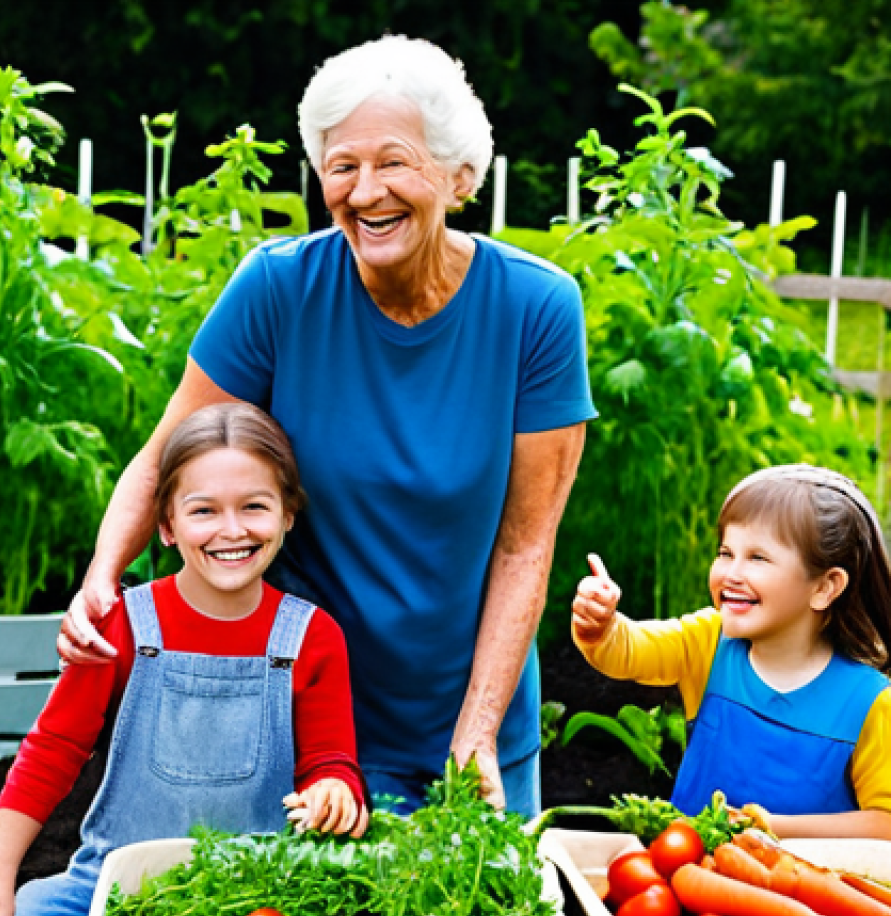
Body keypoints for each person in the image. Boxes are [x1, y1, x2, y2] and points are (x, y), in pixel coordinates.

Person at [57, 35, 596, 818]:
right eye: (342, 166)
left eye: (393, 163)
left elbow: (525, 544)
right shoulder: (279, 289)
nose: (365, 190)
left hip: (469, 719)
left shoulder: (535, 309)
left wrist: (476, 731)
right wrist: (104, 572)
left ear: (458, 176)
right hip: (304, 721)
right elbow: (167, 455)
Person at [0, 403, 369, 916]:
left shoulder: (312, 636)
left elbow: (331, 760)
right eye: (204, 511)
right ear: (167, 525)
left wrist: (334, 790)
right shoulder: (125, 623)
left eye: (255, 506)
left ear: (288, 515)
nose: (232, 530)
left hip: (259, 890)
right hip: (115, 881)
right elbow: (54, 747)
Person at [572, 463, 891, 840]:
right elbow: (628, 650)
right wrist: (602, 626)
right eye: (726, 553)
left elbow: (883, 823)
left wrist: (771, 829)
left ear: (824, 587)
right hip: (684, 878)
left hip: (797, 895)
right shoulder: (709, 643)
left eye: (757, 558)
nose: (731, 574)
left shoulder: (869, 702)